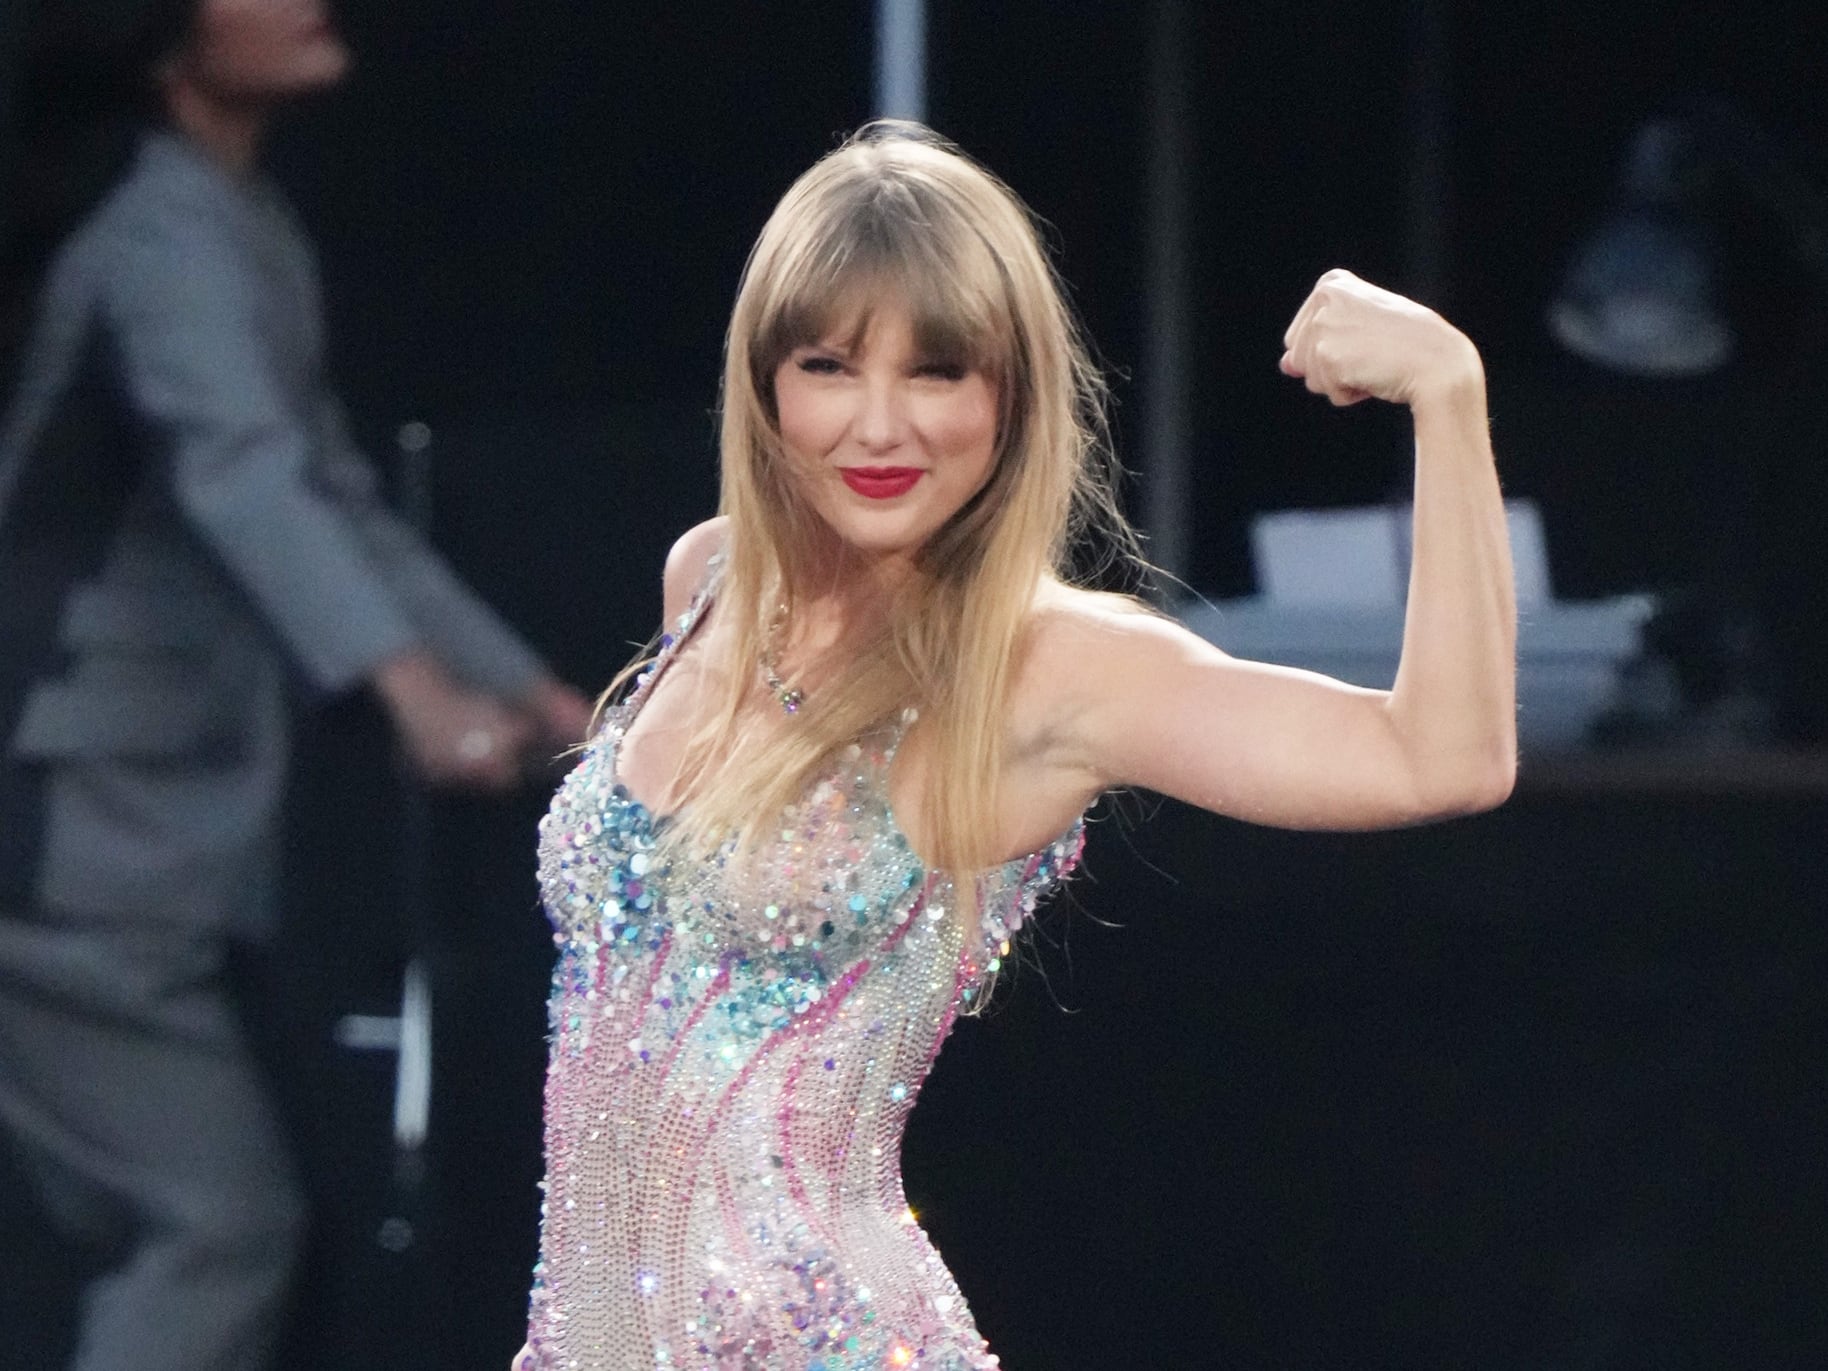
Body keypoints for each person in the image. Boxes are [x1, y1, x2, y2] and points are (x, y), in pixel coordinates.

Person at [513, 121, 1515, 1371]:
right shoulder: (710, 579)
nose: (879, 426)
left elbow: (1443, 760)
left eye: (936, 371)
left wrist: (1449, 397)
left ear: (1008, 397)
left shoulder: (1046, 664)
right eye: (829, 364)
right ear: (766, 384)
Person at [0, 3, 592, 1369]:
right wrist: (415, 697)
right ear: (156, 34)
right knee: (210, 1220)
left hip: (132, 825)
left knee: (204, 1218)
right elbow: (247, 475)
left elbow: (334, 494)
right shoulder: (162, 232)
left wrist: (548, 701)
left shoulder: (228, 218)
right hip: (61, 820)